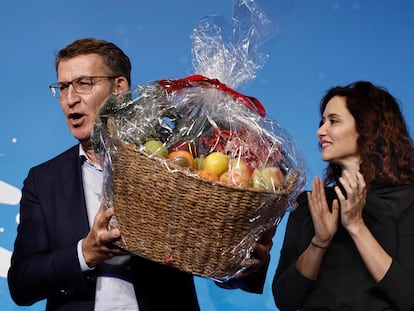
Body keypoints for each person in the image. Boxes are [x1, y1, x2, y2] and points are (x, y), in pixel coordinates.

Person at [7, 38, 275, 311]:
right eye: (63, 87)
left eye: (84, 84)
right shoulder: (43, 180)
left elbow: (218, 267)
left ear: (119, 88)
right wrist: (86, 253)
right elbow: (21, 284)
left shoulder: (176, 165)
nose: (70, 99)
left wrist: (245, 264)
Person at [272, 81, 414, 310]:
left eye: (333, 121)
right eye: (322, 122)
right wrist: (320, 242)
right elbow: (285, 300)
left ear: (367, 127)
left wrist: (357, 227)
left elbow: (408, 298)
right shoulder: (309, 203)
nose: (320, 131)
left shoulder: (407, 199)